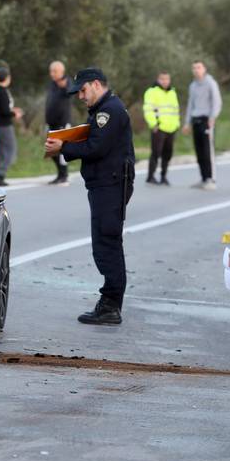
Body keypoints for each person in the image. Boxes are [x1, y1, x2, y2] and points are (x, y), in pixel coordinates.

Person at [45, 68, 135, 325]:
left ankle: (110, 305)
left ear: (96, 84)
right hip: (105, 184)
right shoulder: (104, 110)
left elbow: (97, 147)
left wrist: (64, 146)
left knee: (107, 244)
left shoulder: (110, 111)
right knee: (104, 244)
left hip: (111, 185)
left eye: (83, 91)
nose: (81, 97)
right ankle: (108, 302)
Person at [183, 60, 222, 190]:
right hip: (195, 120)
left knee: (207, 151)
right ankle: (204, 178)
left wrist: (212, 117)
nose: (196, 70)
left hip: (207, 120)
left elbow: (217, 102)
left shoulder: (211, 83)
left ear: (204, 69)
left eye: (198, 67)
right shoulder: (193, 85)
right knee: (199, 151)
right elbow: (190, 105)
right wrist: (187, 123)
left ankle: (211, 179)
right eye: (194, 68)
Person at [143, 71, 180, 185]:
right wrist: (153, 124)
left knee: (168, 153)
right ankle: (150, 176)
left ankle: (164, 176)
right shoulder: (151, 91)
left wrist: (177, 124)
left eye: (167, 79)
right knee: (156, 152)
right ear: (158, 80)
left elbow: (175, 109)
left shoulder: (172, 92)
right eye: (162, 79)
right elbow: (148, 109)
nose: (165, 81)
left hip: (171, 128)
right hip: (159, 127)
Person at [0, 67, 22, 186]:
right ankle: (0, 174)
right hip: (4, 126)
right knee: (11, 149)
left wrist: (11, 110)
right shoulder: (2, 91)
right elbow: (4, 111)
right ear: (7, 78)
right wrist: (15, 113)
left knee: (0, 151)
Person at [45, 60, 72, 185]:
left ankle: (64, 174)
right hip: (51, 123)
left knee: (61, 149)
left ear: (62, 71)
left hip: (63, 122)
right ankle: (59, 174)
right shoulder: (52, 84)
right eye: (51, 71)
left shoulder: (66, 81)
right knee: (51, 150)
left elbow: (70, 92)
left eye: (55, 71)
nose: (52, 73)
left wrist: (64, 86)